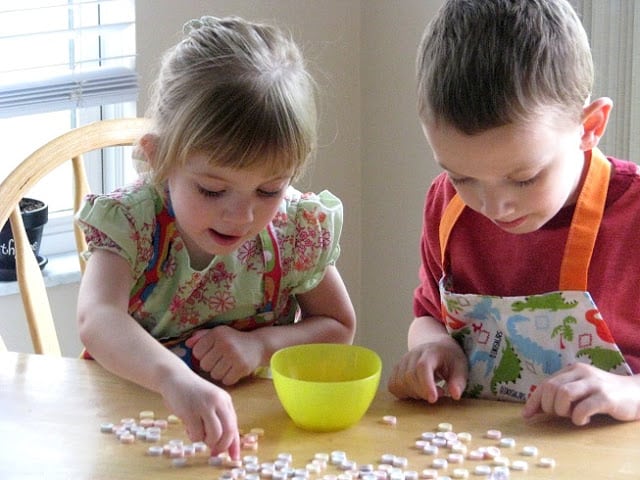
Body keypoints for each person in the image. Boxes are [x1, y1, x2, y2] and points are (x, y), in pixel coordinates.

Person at [76, 16, 356, 458]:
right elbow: (97, 319)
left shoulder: (295, 230)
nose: (242, 215)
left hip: (249, 434)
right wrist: (174, 378)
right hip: (126, 426)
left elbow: (339, 326)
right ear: (159, 158)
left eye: (269, 190)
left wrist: (260, 345)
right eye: (211, 189)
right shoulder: (132, 222)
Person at [388, 0, 640, 427]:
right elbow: (429, 315)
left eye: (524, 179)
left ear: (590, 127)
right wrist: (433, 345)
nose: (493, 206)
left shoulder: (632, 218)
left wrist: (632, 392)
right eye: (462, 177)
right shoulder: (446, 208)